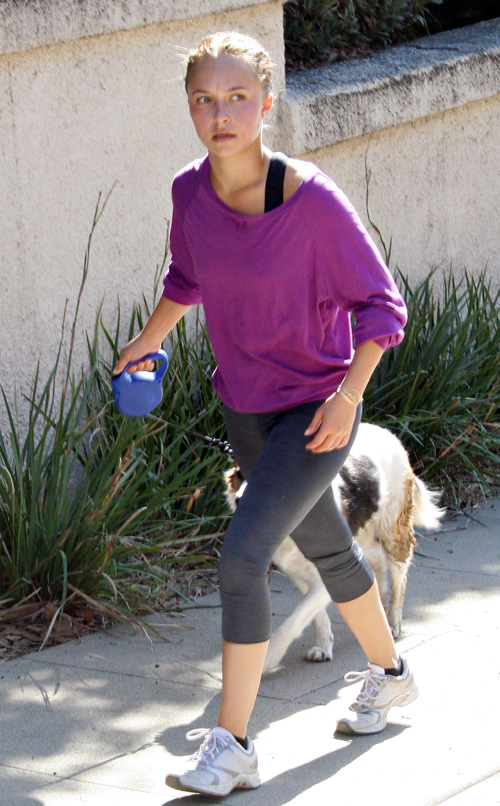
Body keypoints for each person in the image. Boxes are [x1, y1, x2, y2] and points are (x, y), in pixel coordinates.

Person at [114, 31, 417, 798]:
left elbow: (384, 309)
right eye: (204, 100)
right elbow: (188, 277)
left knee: (241, 557)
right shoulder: (190, 193)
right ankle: (391, 673)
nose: (221, 114)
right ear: (190, 107)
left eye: (237, 98)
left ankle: (234, 746)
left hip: (316, 411)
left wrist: (348, 398)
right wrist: (146, 342)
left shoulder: (311, 201)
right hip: (244, 410)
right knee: (329, 549)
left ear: (266, 104)